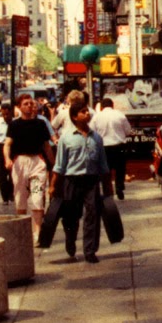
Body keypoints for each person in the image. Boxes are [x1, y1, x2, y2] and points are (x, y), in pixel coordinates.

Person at [51, 101, 110, 264]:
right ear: (75, 117)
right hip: (71, 181)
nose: (87, 114)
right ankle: (70, 242)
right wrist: (53, 186)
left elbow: (103, 164)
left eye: (88, 111)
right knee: (71, 217)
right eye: (83, 112)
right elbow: (59, 165)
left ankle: (90, 251)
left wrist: (107, 187)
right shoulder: (66, 138)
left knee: (92, 214)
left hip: (91, 181)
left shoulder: (97, 138)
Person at [4, 94, 55, 245]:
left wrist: (54, 165)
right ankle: (22, 232)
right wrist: (7, 159)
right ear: (19, 107)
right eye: (25, 104)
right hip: (20, 162)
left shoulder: (40, 124)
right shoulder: (14, 125)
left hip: (37, 162)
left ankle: (37, 233)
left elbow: (46, 146)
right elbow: (7, 144)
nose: (29, 106)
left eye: (30, 103)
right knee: (20, 199)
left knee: (38, 198)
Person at [94, 96, 132, 200]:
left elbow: (92, 132)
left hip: (104, 147)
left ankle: (108, 190)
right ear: (112, 105)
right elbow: (128, 131)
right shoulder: (120, 115)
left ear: (101, 107)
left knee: (106, 170)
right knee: (120, 169)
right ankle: (119, 187)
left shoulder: (97, 117)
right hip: (119, 146)